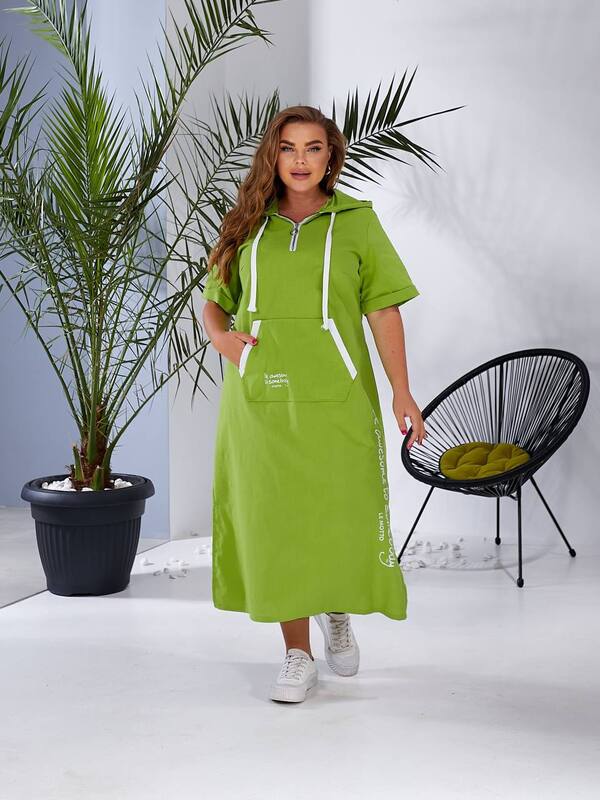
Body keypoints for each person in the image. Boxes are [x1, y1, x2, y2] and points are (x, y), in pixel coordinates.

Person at [201, 105, 426, 704]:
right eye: (288, 148)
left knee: (337, 511)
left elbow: (383, 309)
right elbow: (215, 302)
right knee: (278, 521)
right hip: (262, 400)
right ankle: (296, 654)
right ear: (272, 156)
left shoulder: (357, 221)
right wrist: (223, 339)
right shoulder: (245, 222)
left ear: (331, 157)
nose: (300, 160)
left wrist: (402, 390)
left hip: (339, 397)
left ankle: (336, 609)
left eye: (313, 148)